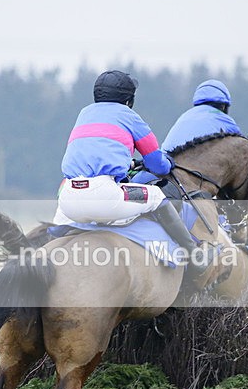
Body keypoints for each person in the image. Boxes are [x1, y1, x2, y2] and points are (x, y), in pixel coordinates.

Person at [57, 70, 213, 277]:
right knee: (157, 196)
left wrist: (126, 162)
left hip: (68, 199)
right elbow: (157, 164)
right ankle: (194, 256)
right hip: (105, 196)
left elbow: (94, 152)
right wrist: (167, 164)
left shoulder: (84, 114)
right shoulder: (129, 116)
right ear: (129, 100)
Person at [161, 79, 248, 271]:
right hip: (197, 184)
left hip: (167, 179)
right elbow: (244, 158)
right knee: (240, 205)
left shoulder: (184, 117)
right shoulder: (226, 122)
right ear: (224, 106)